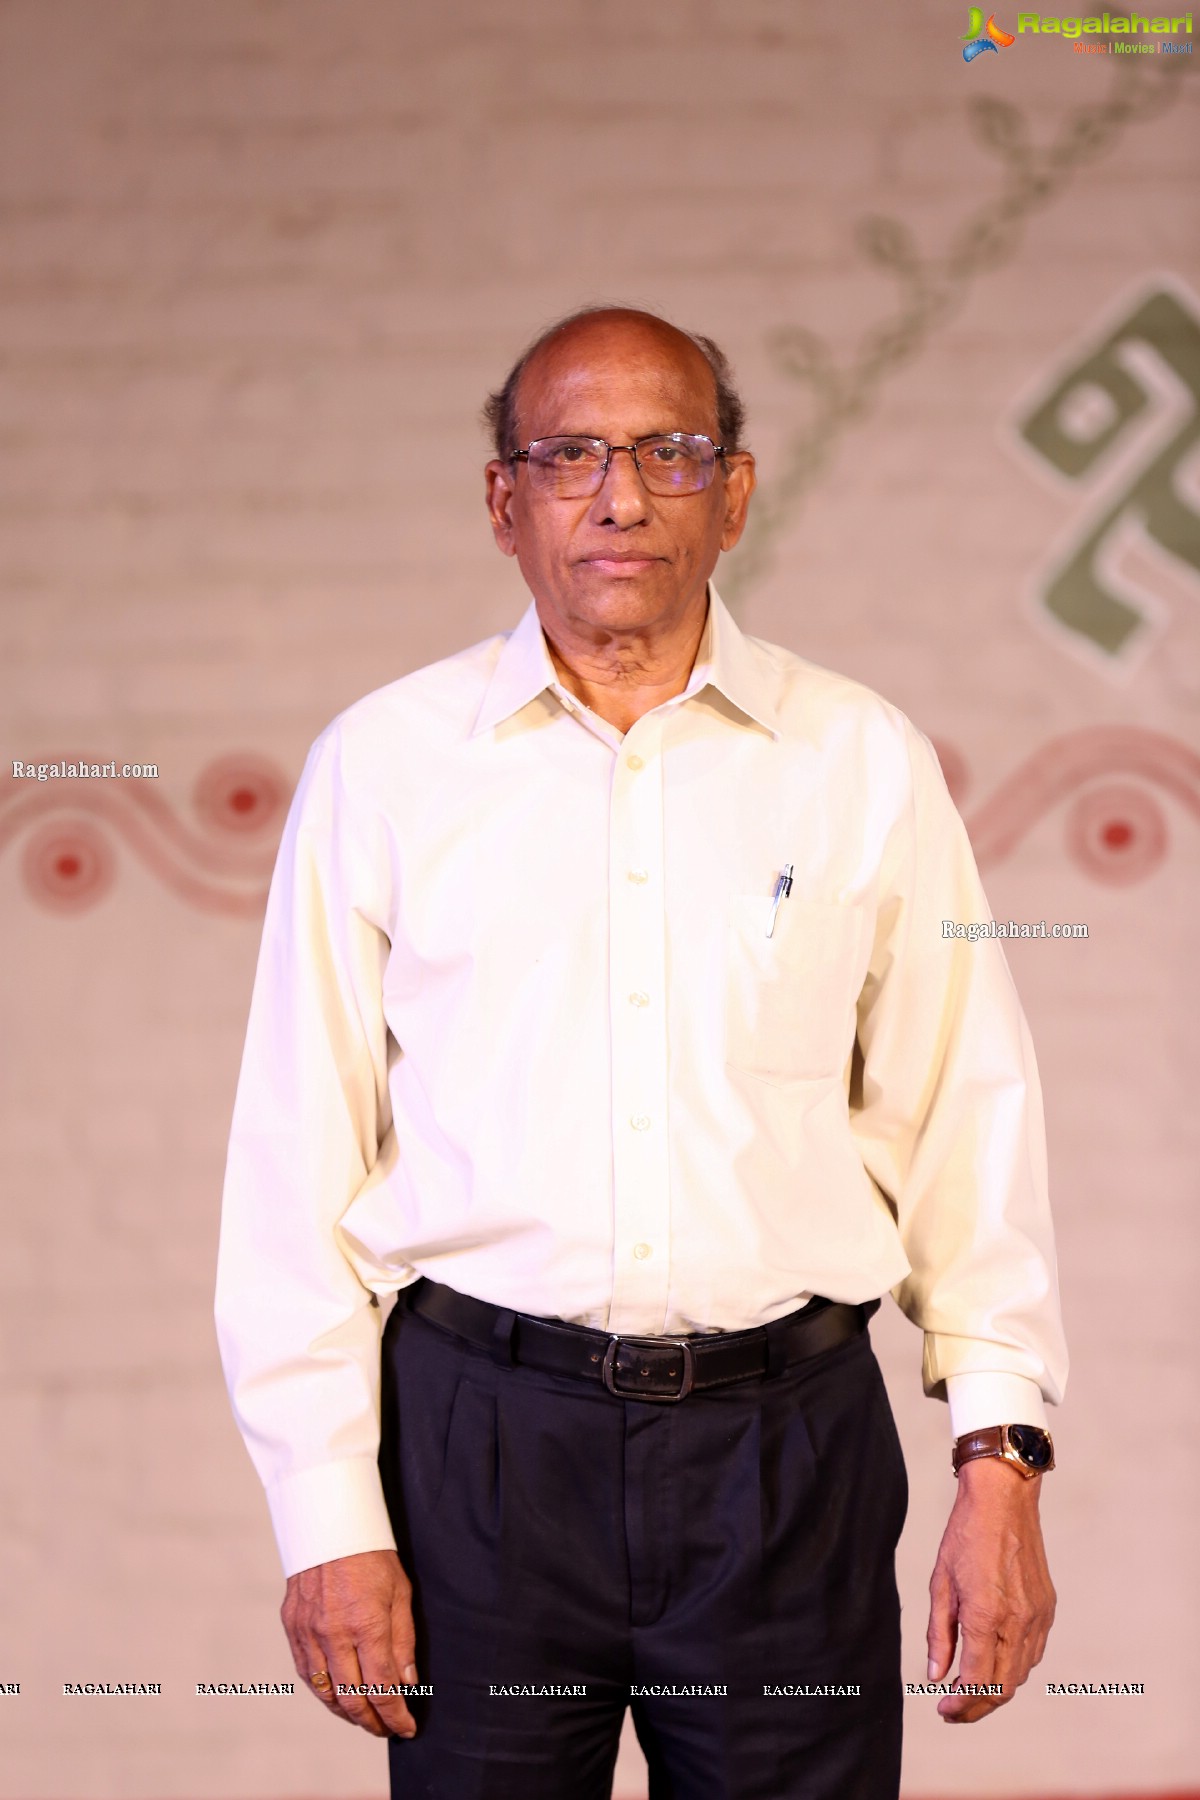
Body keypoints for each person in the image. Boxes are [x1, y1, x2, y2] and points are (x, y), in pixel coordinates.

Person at [215, 304, 1067, 1800]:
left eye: (669, 451)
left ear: (733, 492)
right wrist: (325, 1514)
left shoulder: (861, 761)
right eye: (570, 456)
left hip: (786, 1456)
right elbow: (296, 1159)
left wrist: (1002, 1461)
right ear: (504, 500)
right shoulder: (388, 767)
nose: (621, 495)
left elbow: (964, 1127)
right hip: (479, 1452)